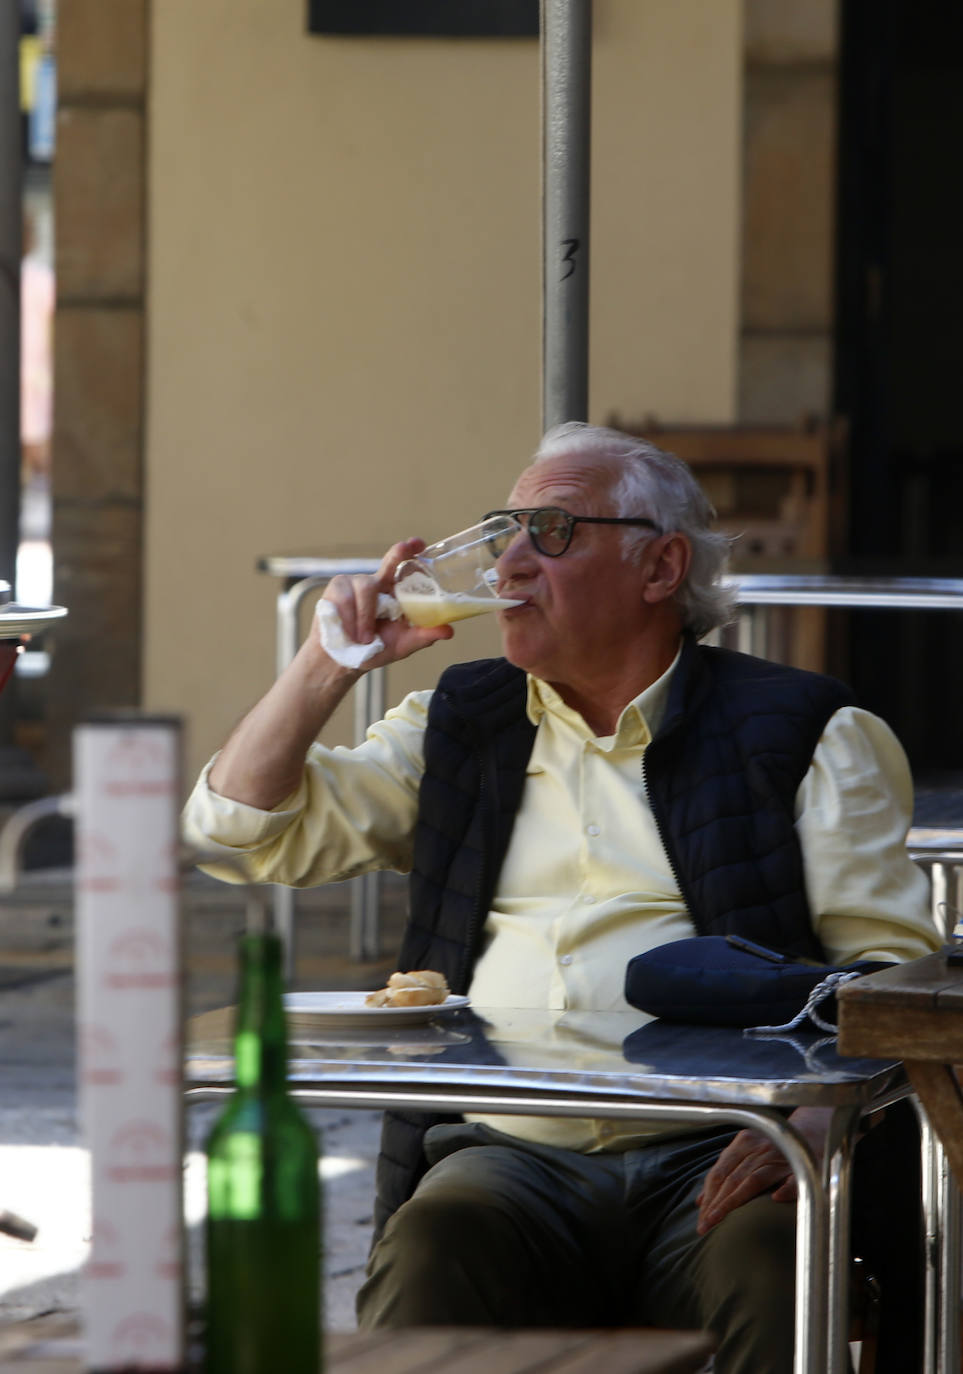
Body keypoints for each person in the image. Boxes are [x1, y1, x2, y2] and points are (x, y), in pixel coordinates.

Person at [183, 422, 937, 1373]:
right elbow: (235, 833)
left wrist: (815, 1126)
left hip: (719, 1145)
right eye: (502, 531)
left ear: (659, 567)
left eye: (548, 530)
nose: (504, 564)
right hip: (510, 1152)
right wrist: (328, 664)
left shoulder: (811, 733)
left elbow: (893, 985)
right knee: (431, 1245)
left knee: (772, 1259)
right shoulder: (457, 723)